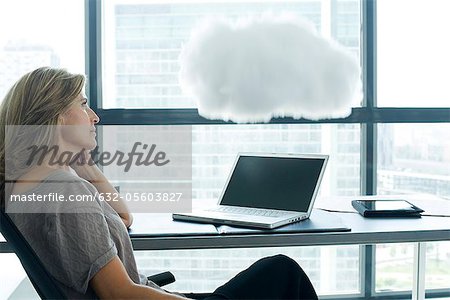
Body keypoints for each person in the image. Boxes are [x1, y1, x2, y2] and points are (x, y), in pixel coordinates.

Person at [0, 67, 318, 299]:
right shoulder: (64, 191)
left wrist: (88, 168)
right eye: (83, 105)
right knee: (282, 272)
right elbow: (118, 293)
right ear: (56, 117)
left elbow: (121, 220)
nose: (94, 116)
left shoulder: (22, 186)